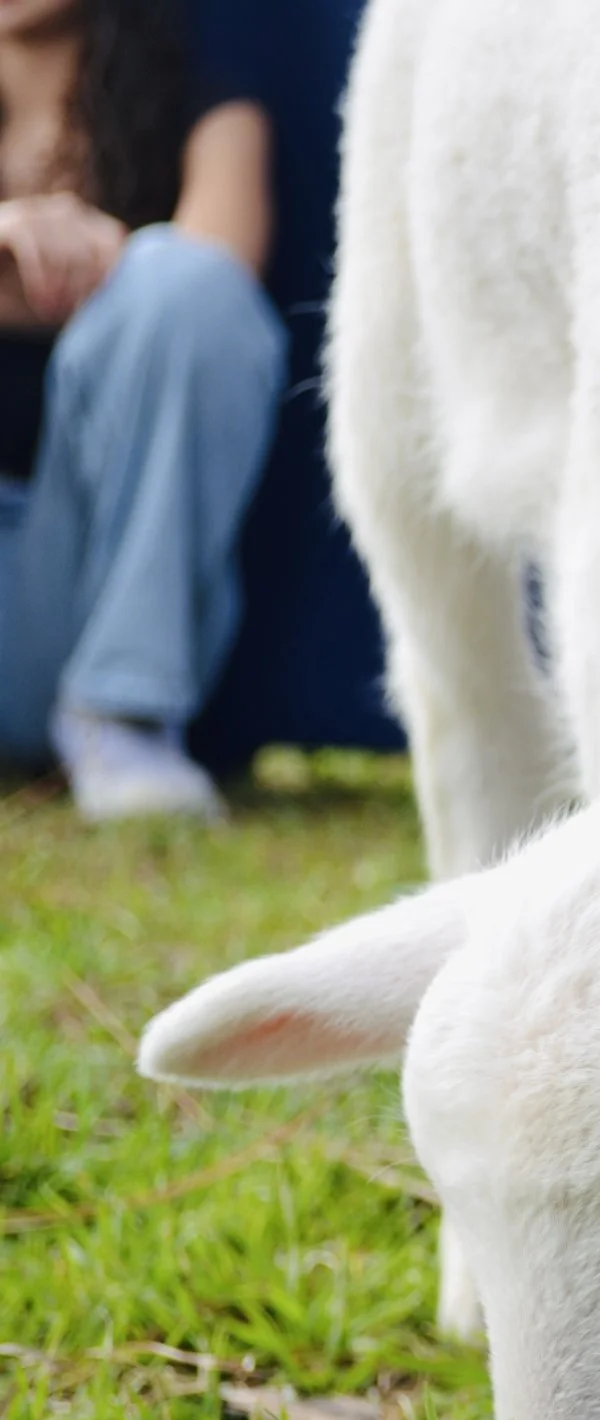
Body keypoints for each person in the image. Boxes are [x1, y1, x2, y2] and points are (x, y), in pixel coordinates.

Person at [0, 0, 281, 820]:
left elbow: (213, 295)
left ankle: (119, 715)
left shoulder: (207, 100)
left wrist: (101, 256)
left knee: (181, 281)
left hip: (79, 590)